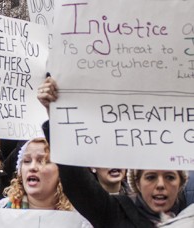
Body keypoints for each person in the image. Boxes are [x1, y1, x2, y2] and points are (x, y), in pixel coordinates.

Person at [38, 76, 189, 227]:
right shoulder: (114, 212)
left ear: (181, 183)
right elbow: (76, 179)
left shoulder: (189, 215)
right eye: (150, 177)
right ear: (137, 182)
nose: (161, 184)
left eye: (170, 177)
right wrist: (56, 113)